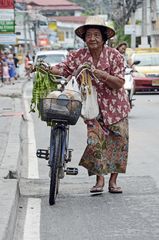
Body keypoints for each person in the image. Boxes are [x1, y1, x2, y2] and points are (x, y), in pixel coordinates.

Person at [49, 16, 130, 194]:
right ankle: (99, 180)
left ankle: (113, 181)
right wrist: (48, 68)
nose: (92, 38)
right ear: (84, 38)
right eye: (89, 35)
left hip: (116, 106)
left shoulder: (114, 55)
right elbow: (64, 68)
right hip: (91, 106)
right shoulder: (78, 55)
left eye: (96, 35)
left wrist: (102, 75)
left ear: (103, 38)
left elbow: (119, 83)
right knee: (95, 142)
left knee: (119, 141)